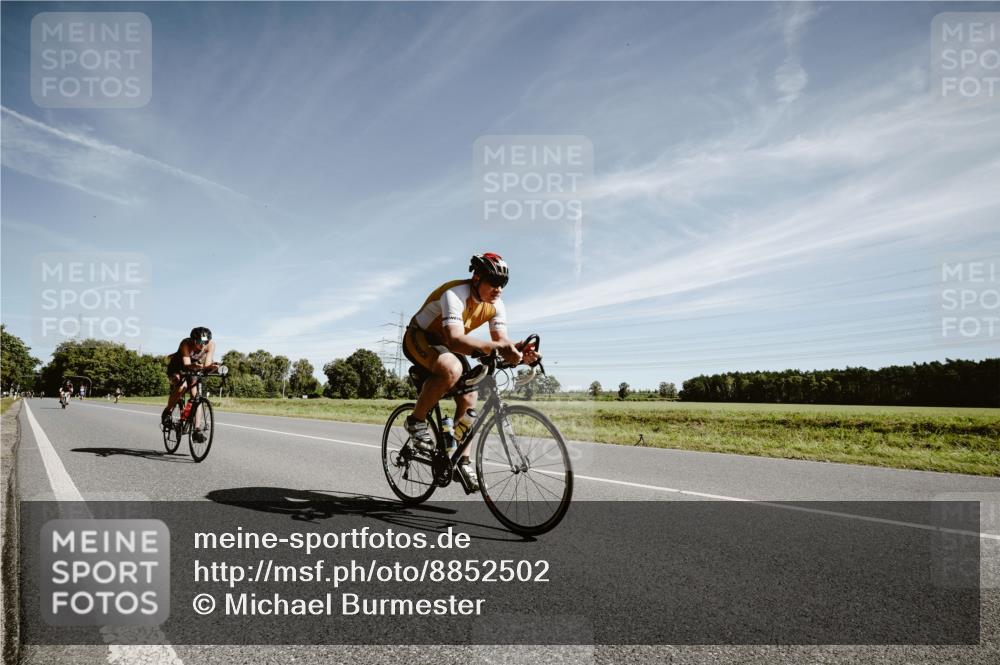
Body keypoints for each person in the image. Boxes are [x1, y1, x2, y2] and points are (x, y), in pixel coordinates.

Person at [402, 253, 539, 491]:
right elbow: (455, 340)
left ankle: (460, 460)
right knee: (451, 369)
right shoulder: (454, 294)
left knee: (470, 394)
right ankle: (416, 421)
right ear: (476, 278)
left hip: (444, 346)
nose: (498, 289)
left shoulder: (496, 305)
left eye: (503, 284)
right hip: (420, 336)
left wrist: (520, 350)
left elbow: (501, 341)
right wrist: (501, 349)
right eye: (493, 282)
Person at [162, 327, 217, 443]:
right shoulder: (186, 343)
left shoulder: (211, 345)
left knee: (195, 397)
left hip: (194, 368)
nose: (203, 345)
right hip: (178, 366)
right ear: (193, 340)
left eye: (205, 342)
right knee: (181, 386)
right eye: (199, 342)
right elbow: (187, 364)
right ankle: (167, 411)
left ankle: (196, 430)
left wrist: (212, 367)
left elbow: (207, 365)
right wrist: (195, 366)